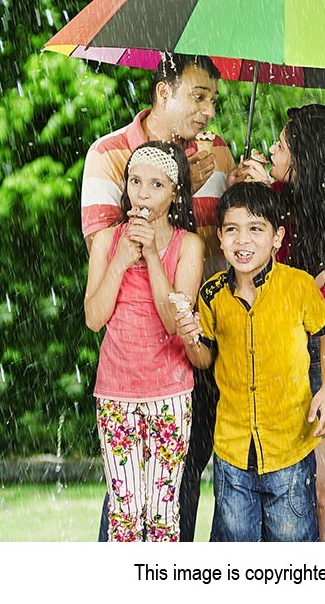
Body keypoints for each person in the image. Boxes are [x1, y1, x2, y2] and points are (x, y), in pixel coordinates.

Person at [81, 53, 230, 542]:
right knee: (125, 498)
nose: (208, 111)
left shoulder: (217, 155)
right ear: (164, 93)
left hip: (198, 340)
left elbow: (235, 240)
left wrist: (238, 178)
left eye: (214, 98)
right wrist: (168, 183)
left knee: (180, 486)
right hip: (130, 351)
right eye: (198, 96)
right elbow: (107, 250)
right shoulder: (110, 154)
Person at [175, 182, 325, 542]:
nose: (243, 241)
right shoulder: (212, 294)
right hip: (232, 451)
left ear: (277, 237)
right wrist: (190, 336)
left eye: (256, 229)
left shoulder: (299, 287)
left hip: (289, 450)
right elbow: (204, 360)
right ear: (219, 238)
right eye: (232, 230)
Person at [235, 104, 325, 542]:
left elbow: (295, 290)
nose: (272, 148)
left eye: (282, 144)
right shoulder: (277, 207)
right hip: (261, 352)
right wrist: (250, 199)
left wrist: (264, 203)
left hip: (310, 357)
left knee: (320, 486)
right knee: (267, 485)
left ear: (307, 159)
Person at [84, 141, 204, 541]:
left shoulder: (189, 246)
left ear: (174, 193)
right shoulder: (105, 241)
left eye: (155, 185)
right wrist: (121, 259)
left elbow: (176, 323)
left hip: (170, 394)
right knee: (124, 514)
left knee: (163, 513)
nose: (142, 194)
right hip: (116, 395)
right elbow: (93, 318)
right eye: (135, 182)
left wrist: (152, 254)